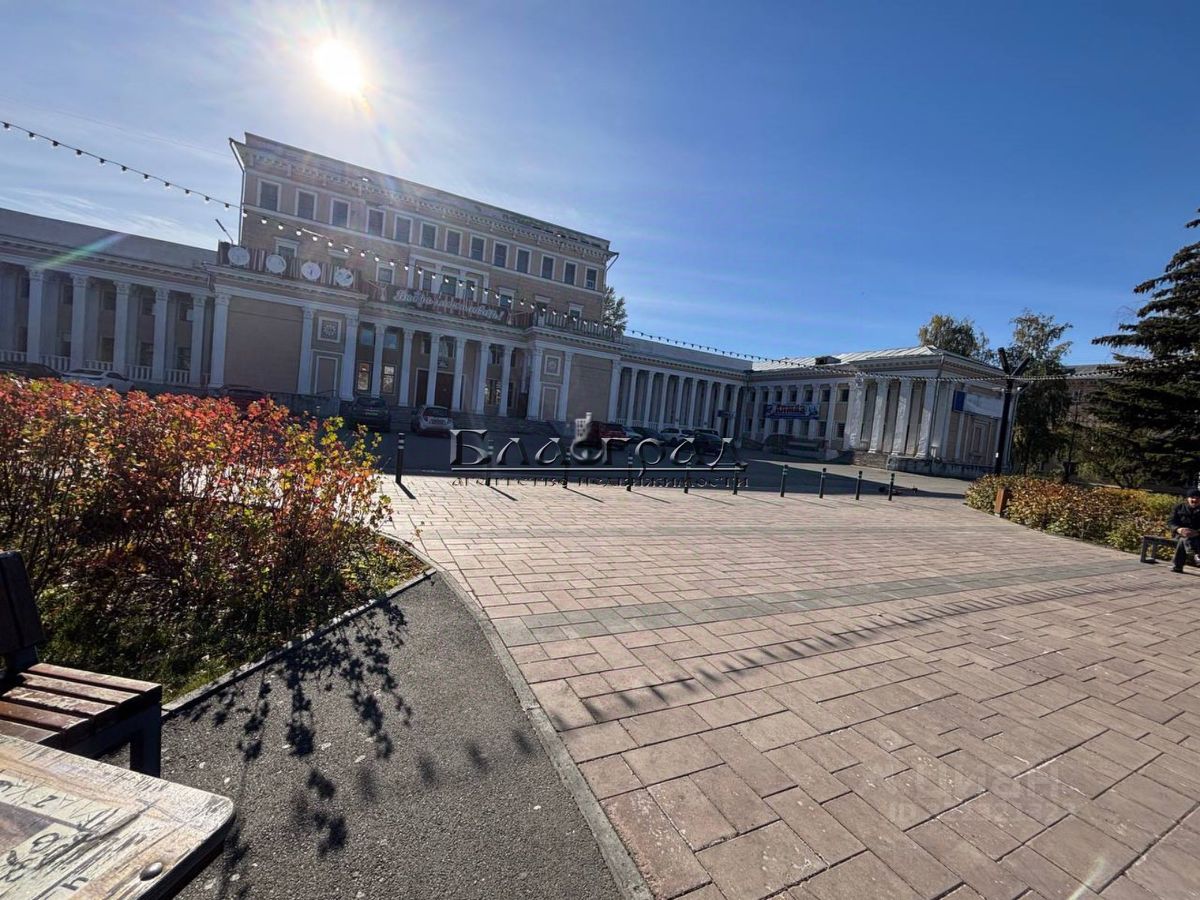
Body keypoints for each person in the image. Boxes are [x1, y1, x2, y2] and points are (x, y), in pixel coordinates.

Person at [1168, 487, 1200, 574]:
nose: (1195, 500)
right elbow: (1170, 522)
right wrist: (1179, 529)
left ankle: (1177, 566)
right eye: (1192, 497)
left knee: (1184, 539)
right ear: (1187, 498)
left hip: (1197, 536)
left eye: (1197, 498)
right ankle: (1196, 555)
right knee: (1184, 537)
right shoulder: (1179, 507)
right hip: (1179, 534)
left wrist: (1197, 532)